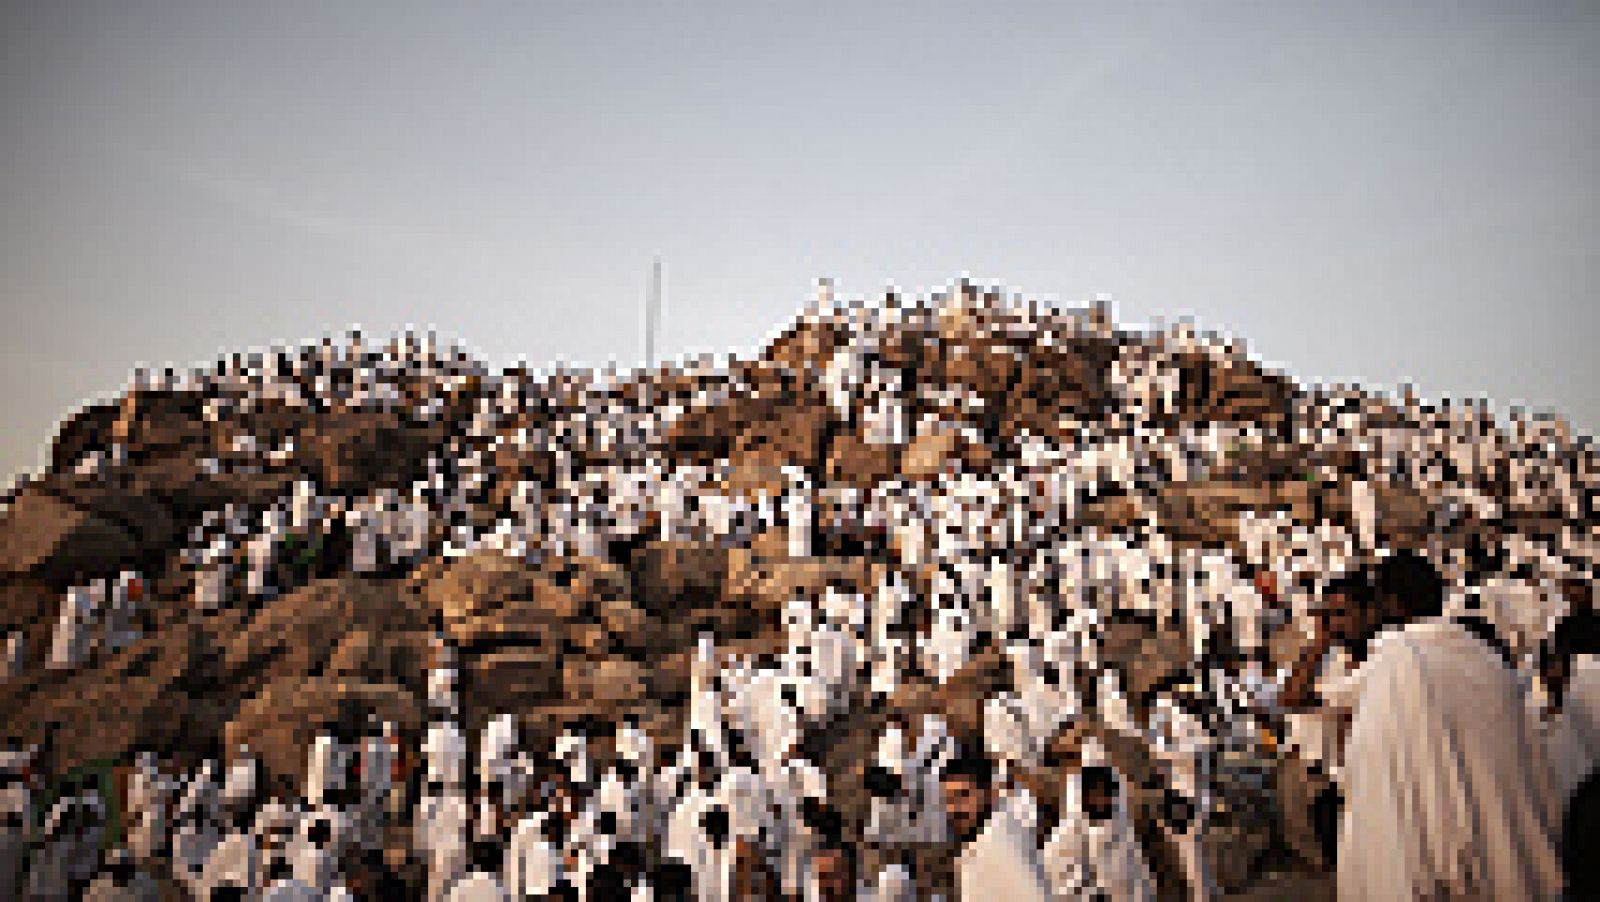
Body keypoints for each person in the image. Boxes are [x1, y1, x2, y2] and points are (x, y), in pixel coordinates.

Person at [1336, 551, 1563, 900]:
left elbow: (1373, 763)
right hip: (1504, 848)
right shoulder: (1487, 657)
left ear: (1392, 604)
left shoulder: (1398, 657)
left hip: (1440, 857)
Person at [940, 742, 1049, 902]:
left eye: (963, 795)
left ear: (990, 794)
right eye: (948, 799)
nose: (954, 808)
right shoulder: (981, 839)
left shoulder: (998, 840)